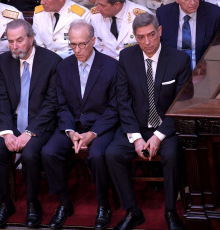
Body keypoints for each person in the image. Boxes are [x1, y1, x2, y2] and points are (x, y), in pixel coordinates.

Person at [106, 13, 191, 230]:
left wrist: (158, 136)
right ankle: (133, 211)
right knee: (113, 154)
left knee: (171, 155)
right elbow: (122, 101)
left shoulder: (179, 59)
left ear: (160, 31)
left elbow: (181, 105)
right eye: (141, 37)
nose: (147, 42)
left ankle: (171, 211)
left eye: (152, 35)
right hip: (136, 124)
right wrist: (135, 138)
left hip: (166, 127)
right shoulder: (126, 57)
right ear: (135, 37)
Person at [41, 20, 118, 229]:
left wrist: (92, 133)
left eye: (82, 44)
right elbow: (62, 104)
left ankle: (103, 205)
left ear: (93, 41)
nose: (77, 50)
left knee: (98, 155)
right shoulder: (63, 66)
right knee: (49, 152)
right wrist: (70, 131)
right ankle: (64, 203)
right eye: (73, 44)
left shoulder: (111, 66)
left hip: (100, 128)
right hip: (72, 125)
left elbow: (114, 108)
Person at [0, 19, 62, 228]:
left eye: (19, 40)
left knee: (29, 155)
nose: (14, 46)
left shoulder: (52, 61)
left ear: (30, 38)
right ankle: (5, 203)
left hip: (39, 124)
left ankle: (32, 203)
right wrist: (7, 132)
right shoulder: (3, 61)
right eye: (10, 41)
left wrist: (29, 132)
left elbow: (51, 104)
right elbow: (0, 99)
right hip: (11, 123)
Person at [156, 0, 220, 69]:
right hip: (172, 69)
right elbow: (159, 47)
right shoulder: (163, 14)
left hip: (203, 69)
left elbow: (217, 50)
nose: (193, 3)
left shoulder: (215, 14)